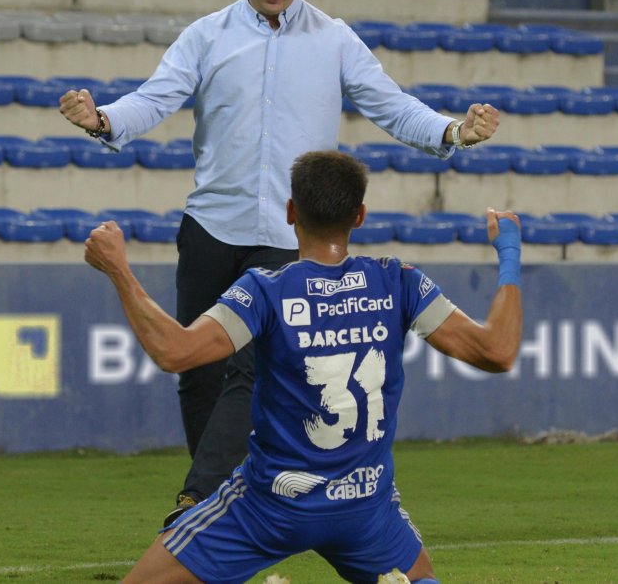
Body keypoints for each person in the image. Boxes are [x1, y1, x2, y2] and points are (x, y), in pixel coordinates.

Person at [60, 0, 501, 525]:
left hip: (285, 237)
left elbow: (394, 107)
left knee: (250, 370)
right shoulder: (207, 36)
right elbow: (154, 98)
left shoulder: (334, 39)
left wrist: (454, 131)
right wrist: (103, 119)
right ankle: (225, 507)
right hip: (211, 227)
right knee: (198, 373)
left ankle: (195, 500)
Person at [83, 150, 523, 583]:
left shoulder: (265, 290)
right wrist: (509, 251)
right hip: (365, 508)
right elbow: (498, 350)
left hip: (271, 506)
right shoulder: (398, 281)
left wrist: (119, 269)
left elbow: (175, 352)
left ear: (291, 212)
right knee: (419, 576)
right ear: (360, 216)